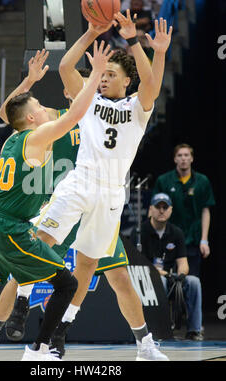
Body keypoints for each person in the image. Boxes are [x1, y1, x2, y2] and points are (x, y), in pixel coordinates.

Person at [0, 70, 168, 362]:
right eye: (82, 85)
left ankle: (144, 343)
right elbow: (9, 112)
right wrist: (29, 81)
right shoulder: (53, 117)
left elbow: (145, 93)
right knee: (25, 266)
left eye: (92, 85)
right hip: (62, 202)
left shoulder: (107, 114)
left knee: (120, 276)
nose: (88, 89)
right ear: (69, 92)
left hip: (98, 203)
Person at [0, 43, 114, 361]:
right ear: (32, 117)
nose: (45, 107)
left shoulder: (14, 136)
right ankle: (38, 350)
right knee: (66, 284)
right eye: (40, 105)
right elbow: (75, 114)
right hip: (10, 226)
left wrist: (29, 82)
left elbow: (8, 112)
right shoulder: (39, 134)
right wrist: (96, 72)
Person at [35, 7, 172, 351]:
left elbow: (151, 85)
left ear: (127, 81)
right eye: (103, 74)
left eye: (111, 74)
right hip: (81, 181)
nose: (105, 78)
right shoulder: (88, 99)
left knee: (88, 264)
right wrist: (91, 33)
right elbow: (66, 67)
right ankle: (22, 309)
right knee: (40, 241)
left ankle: (62, 330)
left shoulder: (137, 109)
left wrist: (141, 44)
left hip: (112, 192)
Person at [130, 193, 203, 340]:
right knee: (160, 281)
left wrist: (180, 275)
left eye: (165, 207)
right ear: (150, 209)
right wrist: (162, 274)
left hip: (171, 277)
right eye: (158, 207)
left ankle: (194, 330)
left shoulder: (176, 232)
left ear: (171, 210)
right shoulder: (139, 232)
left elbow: (183, 264)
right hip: (149, 279)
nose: (161, 211)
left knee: (194, 282)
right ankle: (160, 329)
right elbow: (138, 265)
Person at [152, 143, 215, 277]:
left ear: (192, 158)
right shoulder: (163, 180)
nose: (183, 158)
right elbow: (154, 210)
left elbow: (205, 210)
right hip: (168, 240)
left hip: (192, 240)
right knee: (166, 279)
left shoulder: (202, 181)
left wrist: (204, 240)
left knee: (191, 281)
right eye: (179, 155)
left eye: (186, 155)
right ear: (175, 159)